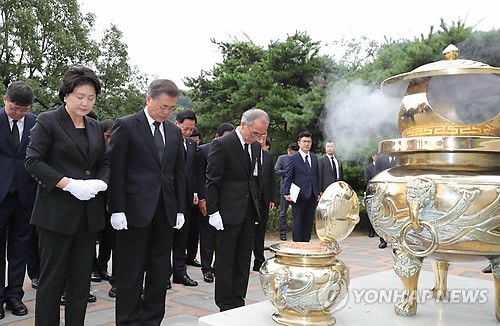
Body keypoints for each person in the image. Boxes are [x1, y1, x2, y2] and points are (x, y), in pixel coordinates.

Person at [25, 66, 109, 325]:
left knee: (81, 280)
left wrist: (100, 183)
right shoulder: (48, 121)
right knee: (52, 280)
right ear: (66, 95)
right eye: (80, 96)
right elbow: (32, 161)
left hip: (87, 216)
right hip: (56, 214)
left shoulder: (95, 126)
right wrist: (68, 184)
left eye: (91, 98)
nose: (85, 102)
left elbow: (104, 162)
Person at [108, 79, 186, 325]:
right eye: (163, 106)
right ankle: (127, 320)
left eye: (172, 108)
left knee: (160, 270)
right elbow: (116, 170)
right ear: (149, 99)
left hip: (164, 211)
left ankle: (152, 319)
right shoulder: (127, 125)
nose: (167, 112)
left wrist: (180, 208)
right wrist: (117, 208)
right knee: (130, 272)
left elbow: (178, 174)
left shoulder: (174, 131)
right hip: (133, 211)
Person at [206, 108, 269, 311]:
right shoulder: (222, 144)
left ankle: (238, 298)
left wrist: (257, 207)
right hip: (227, 212)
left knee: (243, 258)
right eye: (256, 133)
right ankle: (225, 303)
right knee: (226, 259)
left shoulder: (256, 148)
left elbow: (254, 179)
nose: (259, 138)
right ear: (243, 125)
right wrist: (213, 212)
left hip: (248, 212)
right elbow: (213, 180)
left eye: (262, 135)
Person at [0, 81, 37, 319]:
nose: (19, 113)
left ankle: (14, 295)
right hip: (0, 195)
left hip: (25, 195)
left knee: (20, 248)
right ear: (5, 100)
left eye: (24, 109)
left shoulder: (36, 123)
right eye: (15, 108)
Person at [197, 122, 235, 283]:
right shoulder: (203, 150)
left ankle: (220, 267)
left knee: (223, 236)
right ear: (217, 136)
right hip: (208, 199)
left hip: (227, 202)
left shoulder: (235, 151)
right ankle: (207, 268)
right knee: (207, 236)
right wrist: (202, 198)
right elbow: (199, 177)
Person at [169, 109, 199, 288]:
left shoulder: (192, 144)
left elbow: (193, 171)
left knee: (182, 237)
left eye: (191, 130)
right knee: (166, 238)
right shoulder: (168, 141)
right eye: (185, 129)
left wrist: (194, 192)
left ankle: (180, 272)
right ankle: (164, 274)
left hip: (186, 197)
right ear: (176, 124)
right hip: (168, 195)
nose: (188, 133)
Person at [283, 131, 320, 242]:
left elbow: (316, 176)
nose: (306, 144)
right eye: (304, 141)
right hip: (298, 194)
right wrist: (286, 192)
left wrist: (318, 192)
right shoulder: (293, 158)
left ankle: (306, 244)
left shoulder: (314, 158)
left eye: (309, 142)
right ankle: (297, 245)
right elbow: (288, 176)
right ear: (299, 143)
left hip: (312, 194)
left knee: (309, 221)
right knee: (298, 221)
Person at [92, 119, 114, 284]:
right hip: (94, 197)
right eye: (107, 136)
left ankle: (103, 265)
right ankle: (92, 268)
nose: (109, 140)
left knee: (109, 236)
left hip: (111, 198)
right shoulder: (94, 148)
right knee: (92, 236)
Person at [252, 136, 274, 271]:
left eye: (263, 138)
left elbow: (271, 178)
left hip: (264, 199)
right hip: (250, 198)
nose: (261, 140)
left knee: (260, 231)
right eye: (259, 137)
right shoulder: (247, 152)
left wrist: (271, 198)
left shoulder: (267, 156)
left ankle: (259, 260)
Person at [274, 143, 298, 241]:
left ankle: (295, 232)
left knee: (296, 212)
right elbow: (276, 171)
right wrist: (287, 172)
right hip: (285, 188)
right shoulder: (282, 158)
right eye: (292, 152)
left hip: (296, 189)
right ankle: (283, 233)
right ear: (289, 151)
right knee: (283, 213)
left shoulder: (299, 158)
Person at [373, 153, 396, 249]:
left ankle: (396, 240)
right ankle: (382, 239)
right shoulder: (380, 160)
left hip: (397, 192)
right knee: (383, 215)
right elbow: (377, 175)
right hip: (384, 191)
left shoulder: (400, 158)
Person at [363, 152, 378, 238]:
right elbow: (367, 180)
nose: (377, 157)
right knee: (370, 212)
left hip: (381, 193)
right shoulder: (368, 168)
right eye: (375, 155)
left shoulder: (382, 168)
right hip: (371, 192)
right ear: (372, 157)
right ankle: (371, 231)